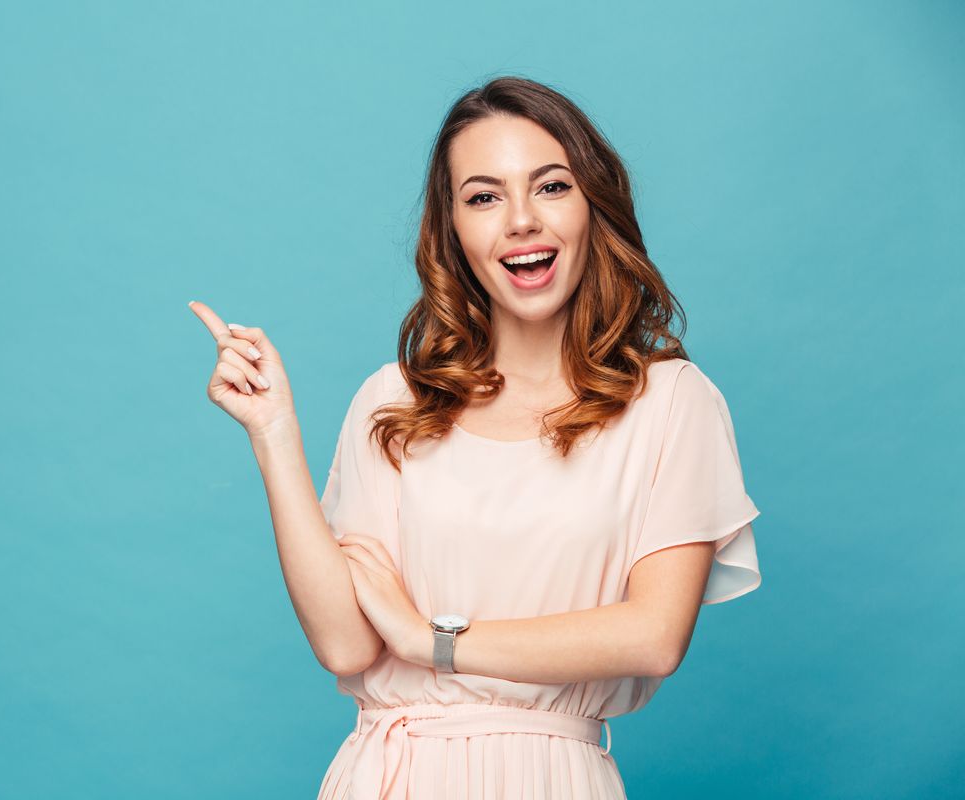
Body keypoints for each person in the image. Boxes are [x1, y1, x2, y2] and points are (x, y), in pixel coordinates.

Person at [188, 75, 762, 799]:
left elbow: (654, 635)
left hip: (551, 776)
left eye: (550, 187)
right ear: (454, 229)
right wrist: (273, 432)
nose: (520, 220)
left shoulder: (671, 402)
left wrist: (431, 640)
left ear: (594, 207)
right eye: (484, 197)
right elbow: (345, 643)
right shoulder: (394, 400)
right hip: (388, 776)